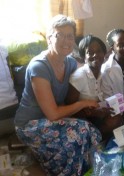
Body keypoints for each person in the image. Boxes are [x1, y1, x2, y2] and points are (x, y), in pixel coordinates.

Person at [14, 15, 101, 176]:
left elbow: (88, 69)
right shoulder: (39, 66)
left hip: (53, 121)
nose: (66, 41)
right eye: (59, 35)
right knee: (79, 132)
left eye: (70, 36)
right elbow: (53, 113)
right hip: (29, 125)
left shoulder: (69, 62)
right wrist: (83, 104)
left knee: (93, 133)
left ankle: (83, 170)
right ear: (49, 38)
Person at [66, 35, 122, 140]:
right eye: (90, 53)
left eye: (99, 51)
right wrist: (92, 113)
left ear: (104, 54)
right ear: (83, 57)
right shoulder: (79, 77)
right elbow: (69, 110)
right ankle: (92, 139)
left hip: (96, 114)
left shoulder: (102, 73)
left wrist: (104, 109)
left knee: (117, 117)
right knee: (111, 124)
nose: (95, 55)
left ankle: (99, 139)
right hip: (81, 118)